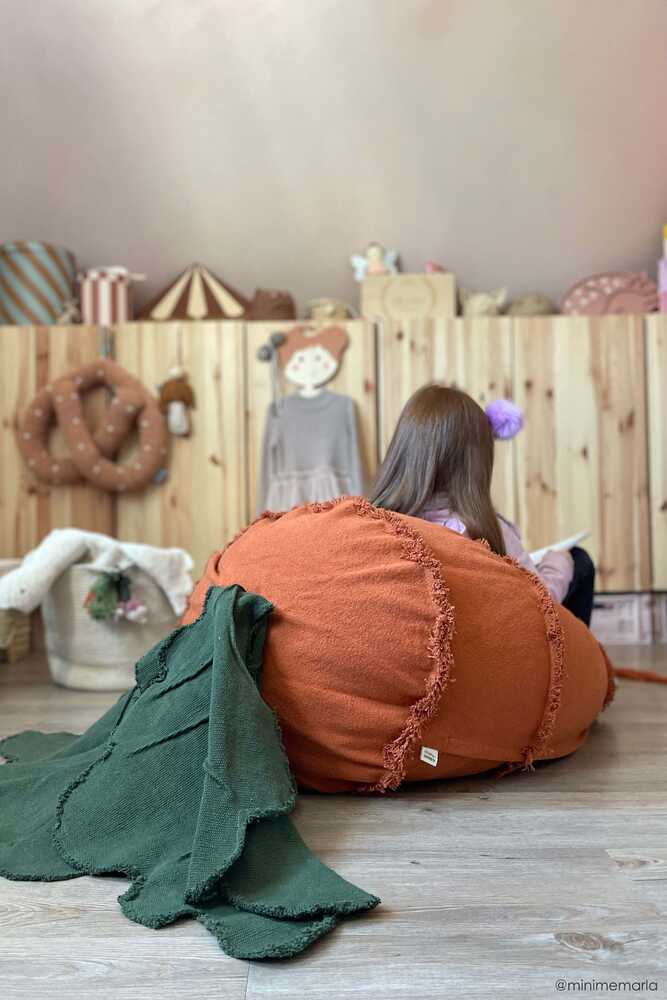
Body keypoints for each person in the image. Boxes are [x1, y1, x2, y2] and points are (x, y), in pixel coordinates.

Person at [369, 384, 595, 626]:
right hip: (485, 646)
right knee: (578, 560)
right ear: (477, 463)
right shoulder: (481, 532)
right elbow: (539, 607)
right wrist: (558, 565)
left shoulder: (376, 525)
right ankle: (577, 660)